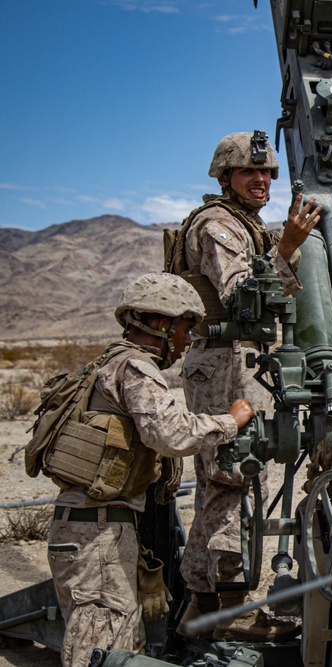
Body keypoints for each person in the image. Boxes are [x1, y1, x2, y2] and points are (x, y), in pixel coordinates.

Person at [43, 273, 255, 667]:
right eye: (185, 328)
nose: (188, 340)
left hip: (96, 527)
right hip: (97, 534)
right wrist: (231, 420)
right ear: (161, 324)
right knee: (101, 652)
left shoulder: (108, 362)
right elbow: (171, 436)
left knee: (120, 644)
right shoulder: (135, 369)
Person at [165, 131, 322, 641]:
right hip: (224, 364)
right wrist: (289, 247)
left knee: (218, 483)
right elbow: (241, 298)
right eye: (250, 173)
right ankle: (228, 610)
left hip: (231, 361)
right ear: (225, 177)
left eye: (268, 174)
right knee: (233, 475)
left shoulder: (243, 224)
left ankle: (201, 608)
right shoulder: (218, 226)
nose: (261, 181)